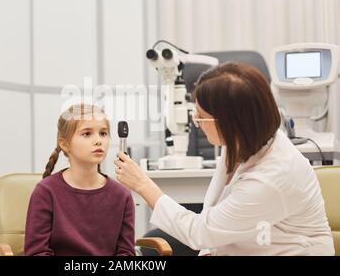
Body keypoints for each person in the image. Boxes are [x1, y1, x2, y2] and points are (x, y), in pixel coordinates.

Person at [114, 62, 335, 256]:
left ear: (230, 122)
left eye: (201, 116)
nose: (196, 122)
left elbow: (200, 232)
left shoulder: (271, 178)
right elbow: (212, 222)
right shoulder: (244, 141)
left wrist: (142, 184)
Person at [25, 104, 135, 256]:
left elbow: (126, 253)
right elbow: (37, 252)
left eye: (103, 133)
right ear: (64, 144)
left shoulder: (122, 195)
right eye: (87, 134)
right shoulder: (46, 192)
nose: (98, 141)